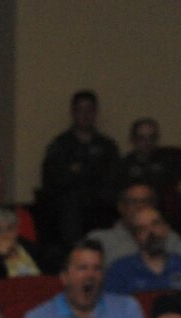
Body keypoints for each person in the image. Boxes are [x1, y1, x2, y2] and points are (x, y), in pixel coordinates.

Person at [21, 241, 147, 318]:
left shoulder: (127, 307)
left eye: (97, 268)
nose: (90, 275)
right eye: (82, 268)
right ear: (64, 277)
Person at [41, 89, 121, 245]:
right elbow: (53, 181)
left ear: (95, 113)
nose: (85, 115)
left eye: (89, 110)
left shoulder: (107, 147)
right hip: (68, 216)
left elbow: (113, 181)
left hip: (101, 211)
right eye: (80, 110)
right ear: (72, 112)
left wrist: (79, 173)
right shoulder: (59, 146)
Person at [86, 183, 181, 268]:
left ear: (154, 206)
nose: (140, 206)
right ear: (121, 207)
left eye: (146, 201)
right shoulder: (99, 239)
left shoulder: (168, 236)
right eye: (133, 202)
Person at [102, 207, 181, 295]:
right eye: (142, 229)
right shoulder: (120, 270)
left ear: (166, 228)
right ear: (135, 237)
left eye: (155, 224)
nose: (151, 232)